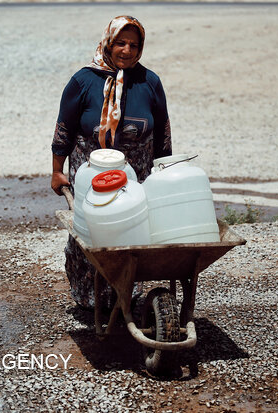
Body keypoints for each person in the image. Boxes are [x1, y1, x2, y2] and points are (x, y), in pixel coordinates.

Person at [51, 15, 172, 309]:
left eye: (134, 45)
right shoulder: (83, 81)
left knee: (133, 234)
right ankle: (90, 298)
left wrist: (165, 174)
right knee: (90, 235)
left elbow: (163, 133)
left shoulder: (150, 82)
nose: (127, 51)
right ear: (109, 42)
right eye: (121, 43)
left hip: (136, 177)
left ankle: (127, 293)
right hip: (90, 175)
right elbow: (64, 128)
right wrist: (57, 171)